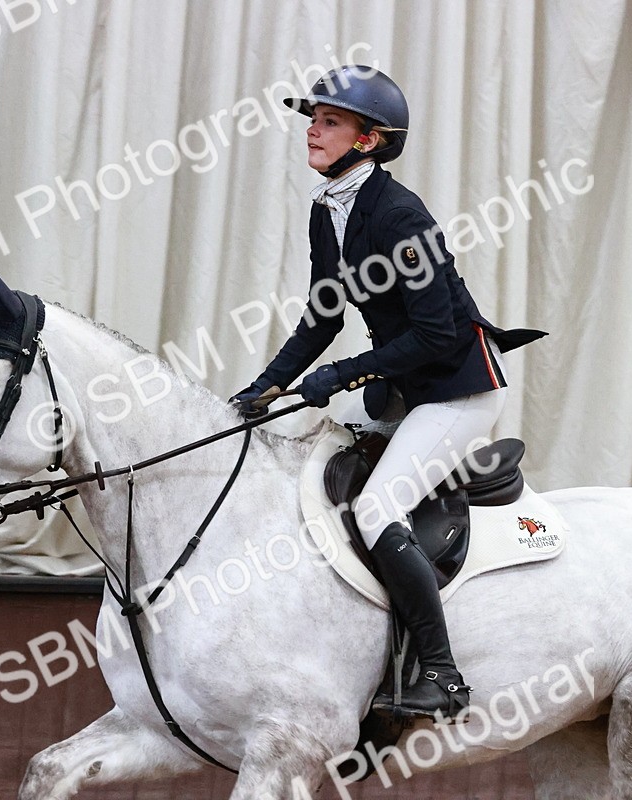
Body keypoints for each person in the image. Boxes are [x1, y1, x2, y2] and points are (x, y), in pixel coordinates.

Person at [231, 65, 546, 720]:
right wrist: (264, 388)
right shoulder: (330, 211)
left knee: (376, 510)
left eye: (330, 121)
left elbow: (436, 334)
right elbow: (323, 317)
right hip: (405, 384)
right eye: (312, 119)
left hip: (459, 389)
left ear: (368, 140)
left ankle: (443, 674)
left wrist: (342, 375)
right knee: (302, 454)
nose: (312, 131)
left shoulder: (400, 216)